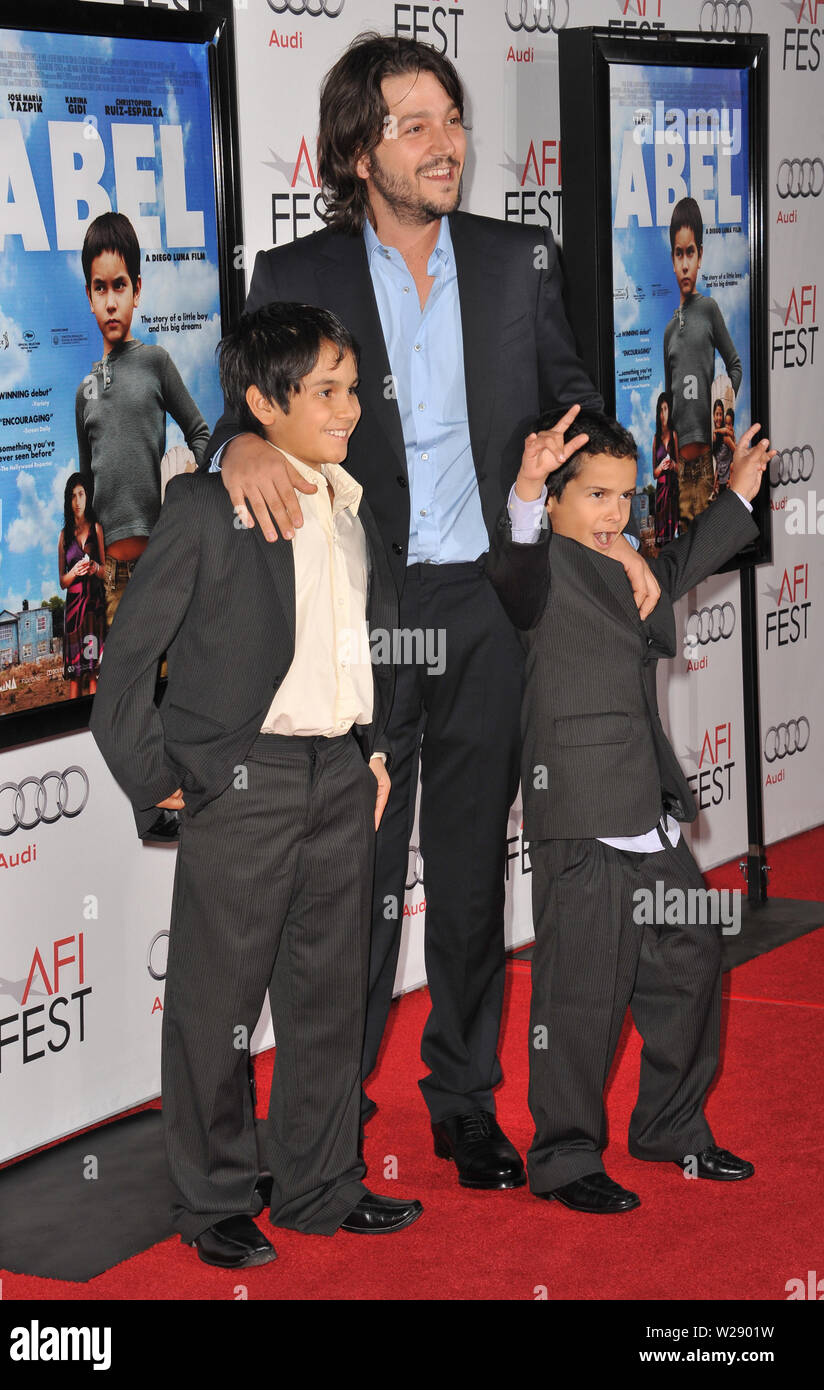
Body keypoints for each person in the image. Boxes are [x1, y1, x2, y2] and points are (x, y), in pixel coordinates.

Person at [203, 32, 658, 1191]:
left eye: (451, 118)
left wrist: (599, 494)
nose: (445, 141)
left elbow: (575, 394)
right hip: (359, 616)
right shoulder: (296, 275)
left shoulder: (518, 261)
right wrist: (249, 437)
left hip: (488, 603)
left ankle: (463, 1102)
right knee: (351, 883)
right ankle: (327, 1122)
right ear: (357, 151)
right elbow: (239, 414)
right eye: (414, 124)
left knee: (465, 879)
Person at [90, 302, 422, 1269]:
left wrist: (370, 751)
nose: (350, 408)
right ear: (263, 403)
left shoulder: (355, 503)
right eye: (326, 391)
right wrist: (162, 781)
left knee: (328, 1000)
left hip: (336, 775)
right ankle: (214, 1200)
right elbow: (126, 666)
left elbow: (360, 647)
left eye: (353, 388)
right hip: (246, 779)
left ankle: (322, 1185)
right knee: (216, 1007)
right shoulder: (206, 504)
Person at [486, 405, 773, 1213]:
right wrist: (526, 485)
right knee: (581, 992)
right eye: (596, 497)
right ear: (555, 504)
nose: (615, 513)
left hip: (644, 814)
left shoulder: (630, 565)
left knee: (690, 953)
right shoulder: (539, 573)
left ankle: (669, 1127)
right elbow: (511, 559)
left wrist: (739, 495)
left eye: (624, 496)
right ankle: (566, 1158)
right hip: (578, 815)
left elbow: (678, 564)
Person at [75, 211, 210, 630]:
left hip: (164, 562)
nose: (111, 300)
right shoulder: (83, 394)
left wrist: (184, 483)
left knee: (172, 683)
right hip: (112, 579)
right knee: (126, 691)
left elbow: (202, 434)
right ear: (90, 295)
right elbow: (87, 485)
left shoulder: (156, 363)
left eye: (120, 285)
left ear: (137, 290)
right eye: (101, 288)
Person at [663, 197, 742, 532]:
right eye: (679, 253)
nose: (684, 263)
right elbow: (669, 401)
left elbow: (734, 365)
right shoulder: (667, 331)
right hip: (681, 471)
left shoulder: (709, 309)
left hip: (710, 465)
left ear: (700, 256)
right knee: (681, 567)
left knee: (711, 557)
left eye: (690, 252)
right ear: (672, 258)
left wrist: (721, 411)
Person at [58, 473, 106, 698]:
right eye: (72, 496)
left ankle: (93, 728)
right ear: (68, 501)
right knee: (75, 676)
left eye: (81, 494)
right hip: (73, 614)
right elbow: (62, 582)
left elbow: (106, 573)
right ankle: (72, 721)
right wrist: (74, 572)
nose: (77, 501)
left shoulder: (97, 529)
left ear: (87, 497)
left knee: (93, 672)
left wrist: (95, 567)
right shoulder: (63, 536)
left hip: (93, 610)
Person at [652, 391, 680, 547]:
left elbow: (680, 467)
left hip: (672, 488)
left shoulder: (674, 435)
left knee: (673, 527)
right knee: (661, 531)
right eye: (660, 410)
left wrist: (673, 465)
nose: (663, 414)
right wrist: (661, 466)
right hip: (660, 489)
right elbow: (654, 474)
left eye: (666, 409)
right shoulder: (655, 439)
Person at [713, 399, 736, 494]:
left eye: (720, 414)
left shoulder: (726, 437)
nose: (718, 418)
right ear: (713, 416)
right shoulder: (716, 437)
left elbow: (738, 454)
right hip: (720, 484)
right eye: (716, 414)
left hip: (728, 484)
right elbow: (718, 462)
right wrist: (715, 482)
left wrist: (732, 477)